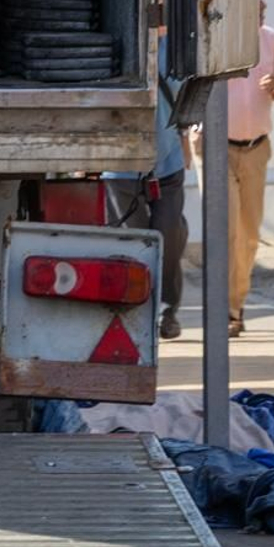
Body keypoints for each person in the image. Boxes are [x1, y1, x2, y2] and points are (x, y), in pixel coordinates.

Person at [101, 31, 187, 339]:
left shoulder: (173, 52)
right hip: (121, 167)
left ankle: (167, 310)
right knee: (131, 245)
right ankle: (136, 310)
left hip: (167, 163)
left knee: (169, 237)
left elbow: (186, 101)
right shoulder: (111, 53)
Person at [221, 0, 274, 337]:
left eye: (264, 6)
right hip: (216, 147)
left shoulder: (270, 39)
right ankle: (227, 310)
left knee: (249, 235)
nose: (262, 10)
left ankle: (236, 302)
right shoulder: (217, 40)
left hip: (256, 148)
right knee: (228, 230)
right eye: (256, 5)